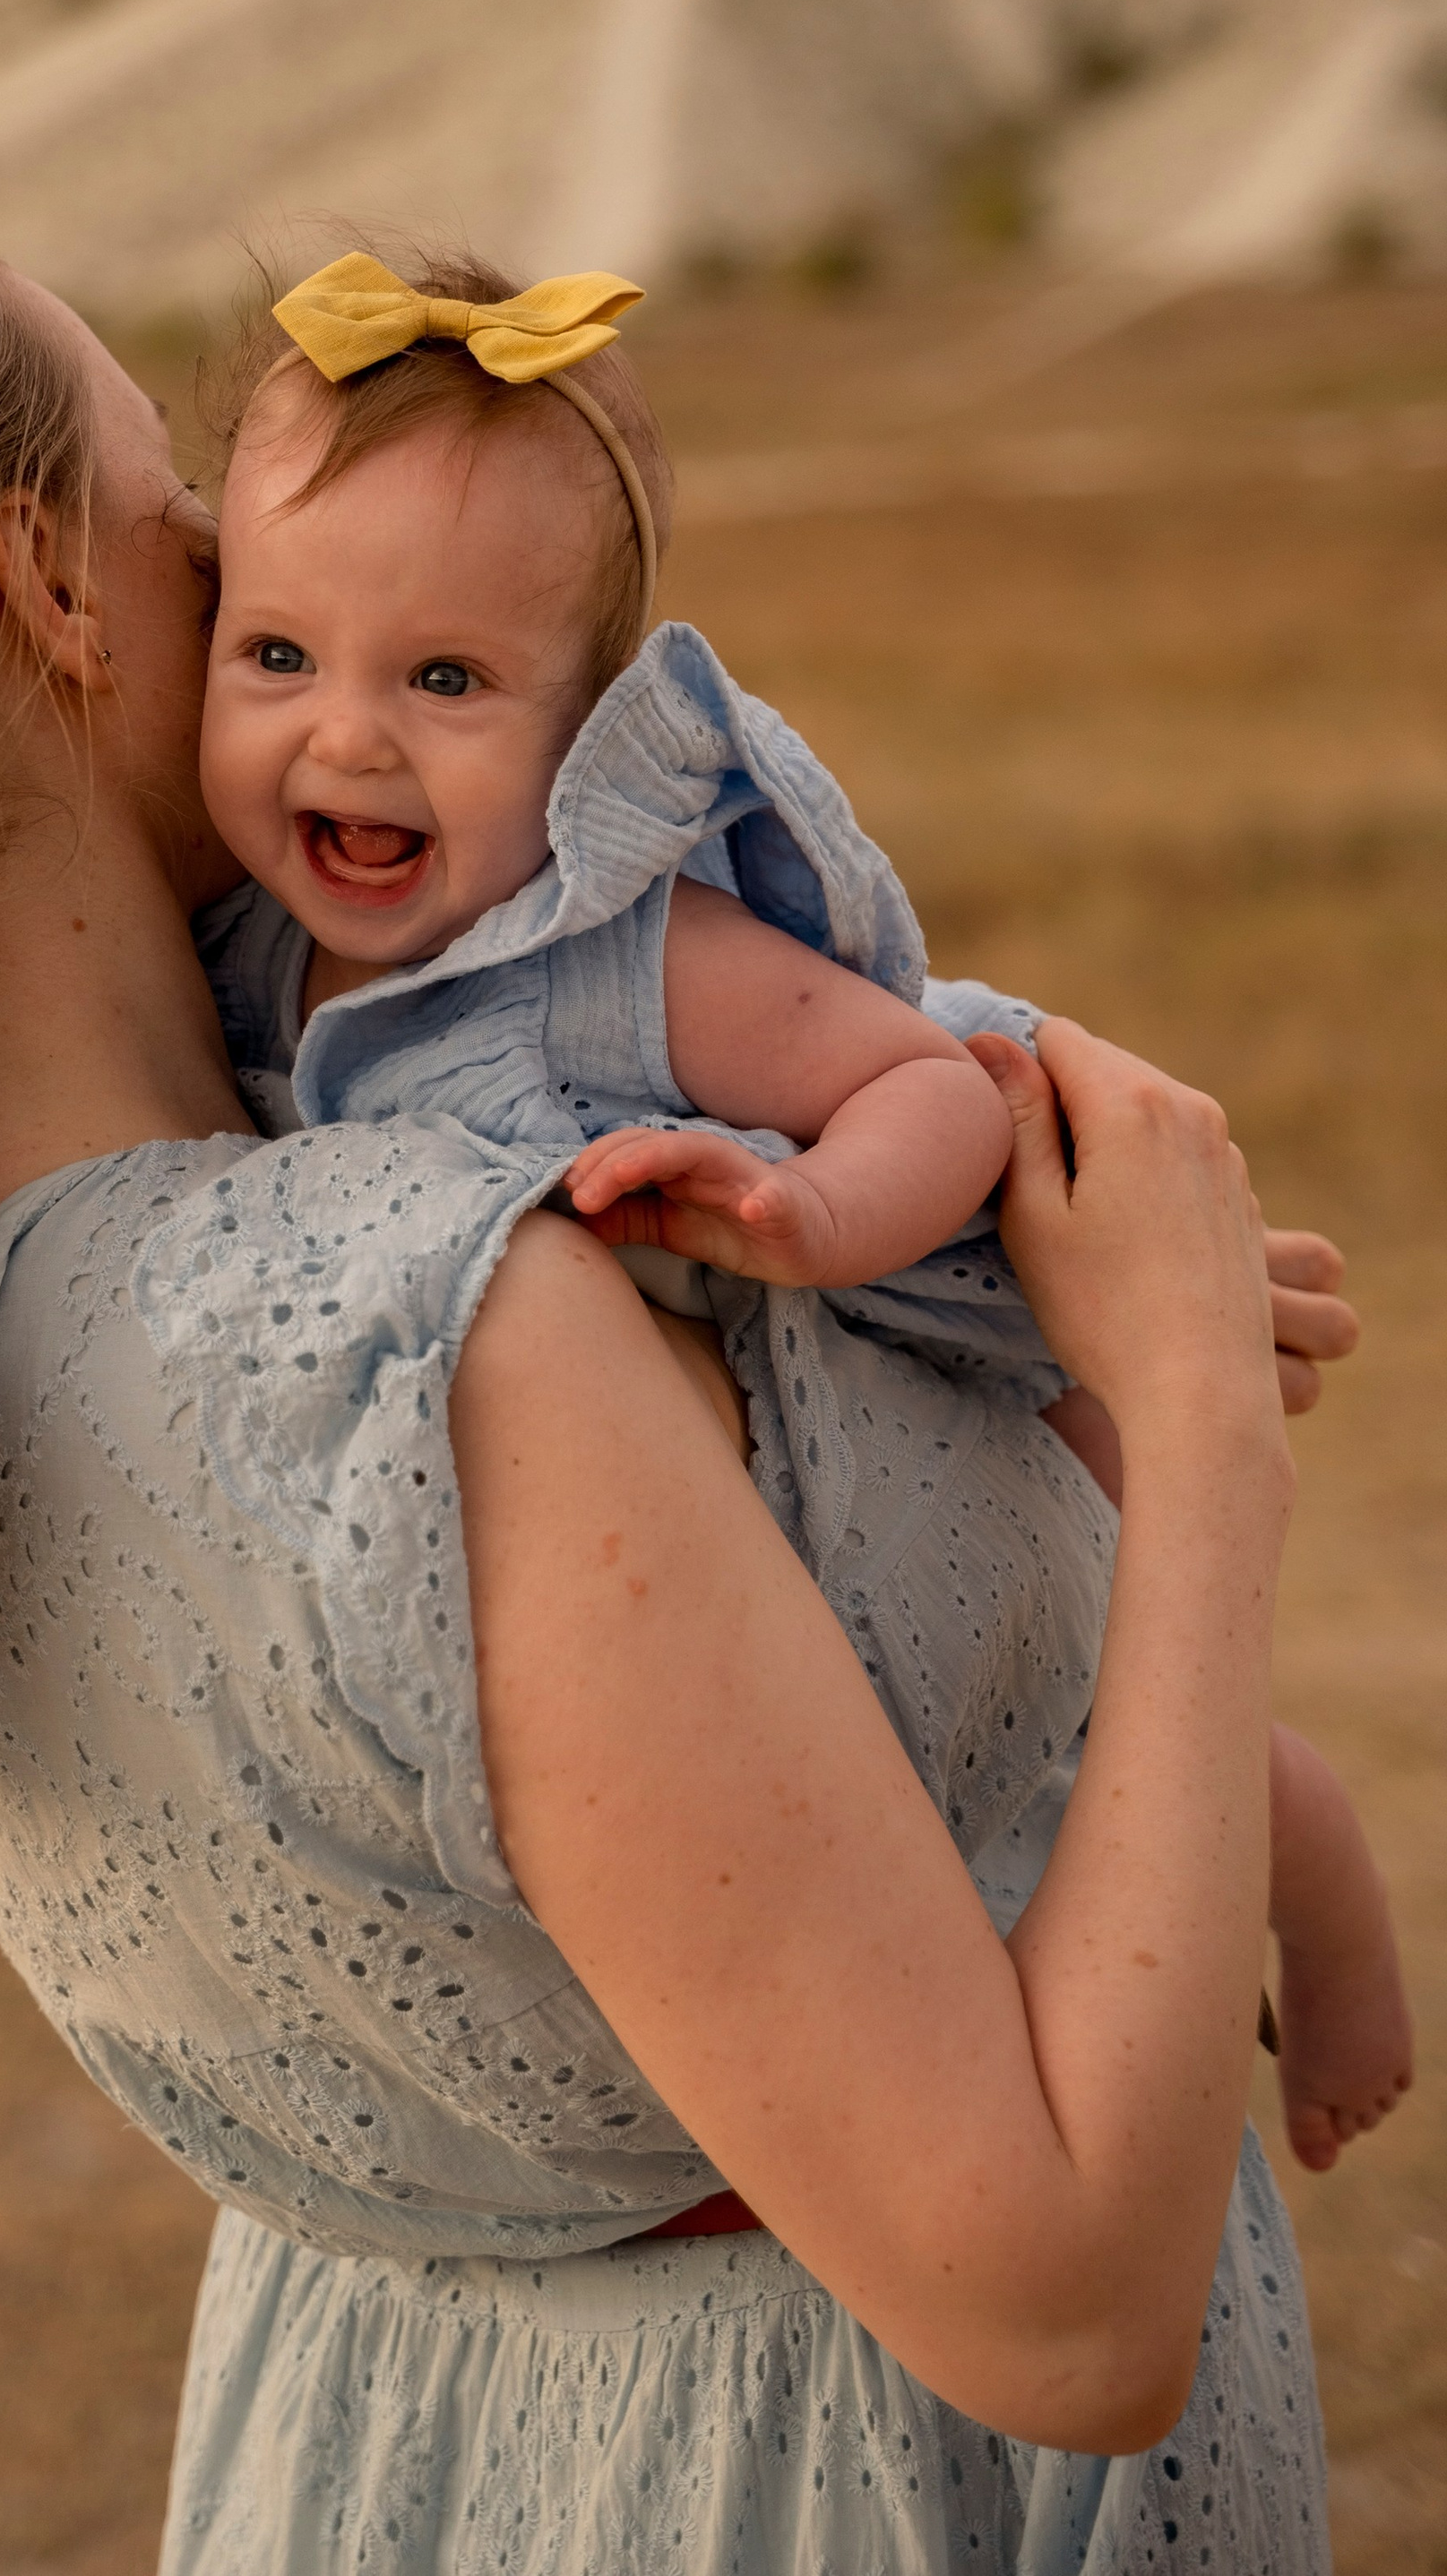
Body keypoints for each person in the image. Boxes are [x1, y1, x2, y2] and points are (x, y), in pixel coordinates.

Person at [0, 190, 1354, 2569]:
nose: (221, 544)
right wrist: (1194, 1441)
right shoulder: (438, 1333)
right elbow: (1067, 2301)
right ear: (39, 586)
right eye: (165, 499)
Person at [199, 240, 1410, 2183]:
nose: (343, 736)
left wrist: (802, 1209)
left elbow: (923, 1084)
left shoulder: (618, 952)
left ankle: (1315, 1873)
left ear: (588, 727)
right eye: (276, 656)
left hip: (916, 1345)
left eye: (441, 678)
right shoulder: (256, 960)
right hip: (729, 1477)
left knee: (1072, 1707)